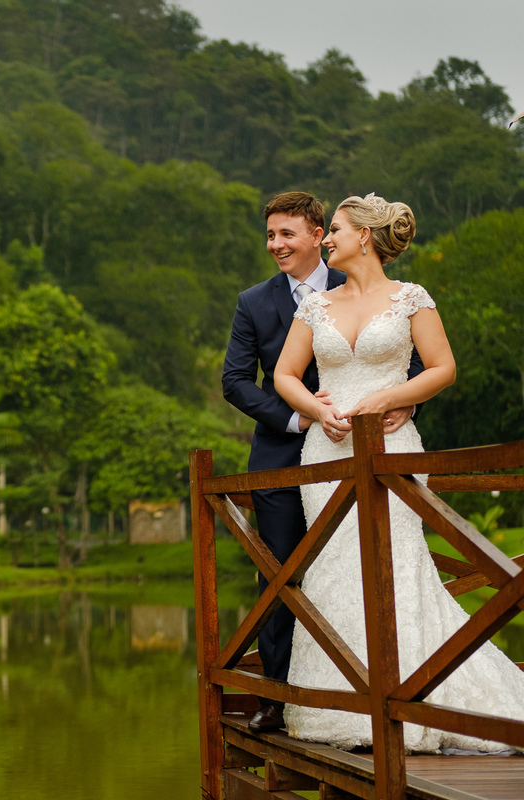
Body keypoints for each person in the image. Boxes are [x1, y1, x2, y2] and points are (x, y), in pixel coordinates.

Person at [272, 193, 524, 752]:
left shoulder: (411, 298)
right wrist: (317, 409)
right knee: (335, 566)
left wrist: (395, 394)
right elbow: (286, 375)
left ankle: (415, 699)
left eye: (333, 229)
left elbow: (443, 367)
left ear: (364, 235)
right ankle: (344, 705)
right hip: (329, 450)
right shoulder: (316, 305)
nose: (327, 239)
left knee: (394, 564)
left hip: (392, 448)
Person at [222, 191, 417, 733]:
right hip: (283, 458)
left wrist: (407, 399)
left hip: (368, 453)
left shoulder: (360, 280)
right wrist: (299, 419)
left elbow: (415, 357)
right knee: (280, 576)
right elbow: (235, 381)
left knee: (365, 566)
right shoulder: (253, 302)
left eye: (287, 234)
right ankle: (279, 700)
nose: (276, 245)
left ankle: (386, 692)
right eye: (270, 236)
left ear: (315, 233)